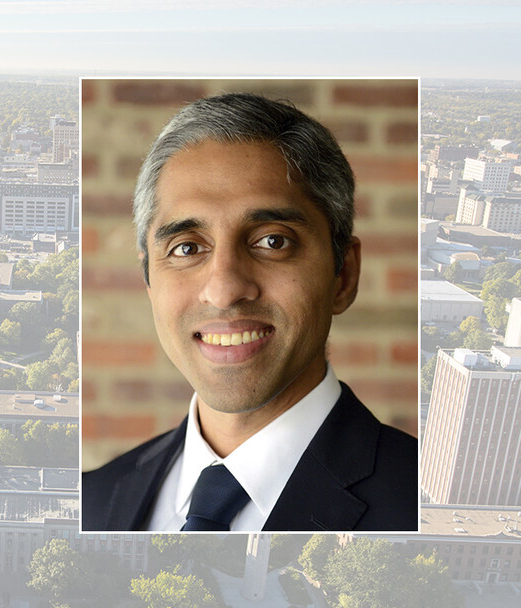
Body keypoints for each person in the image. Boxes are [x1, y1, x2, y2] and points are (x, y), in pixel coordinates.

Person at [82, 92, 416, 531]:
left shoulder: (417, 504)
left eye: (273, 241)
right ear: (149, 282)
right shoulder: (94, 498)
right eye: (186, 248)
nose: (224, 290)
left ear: (343, 275)